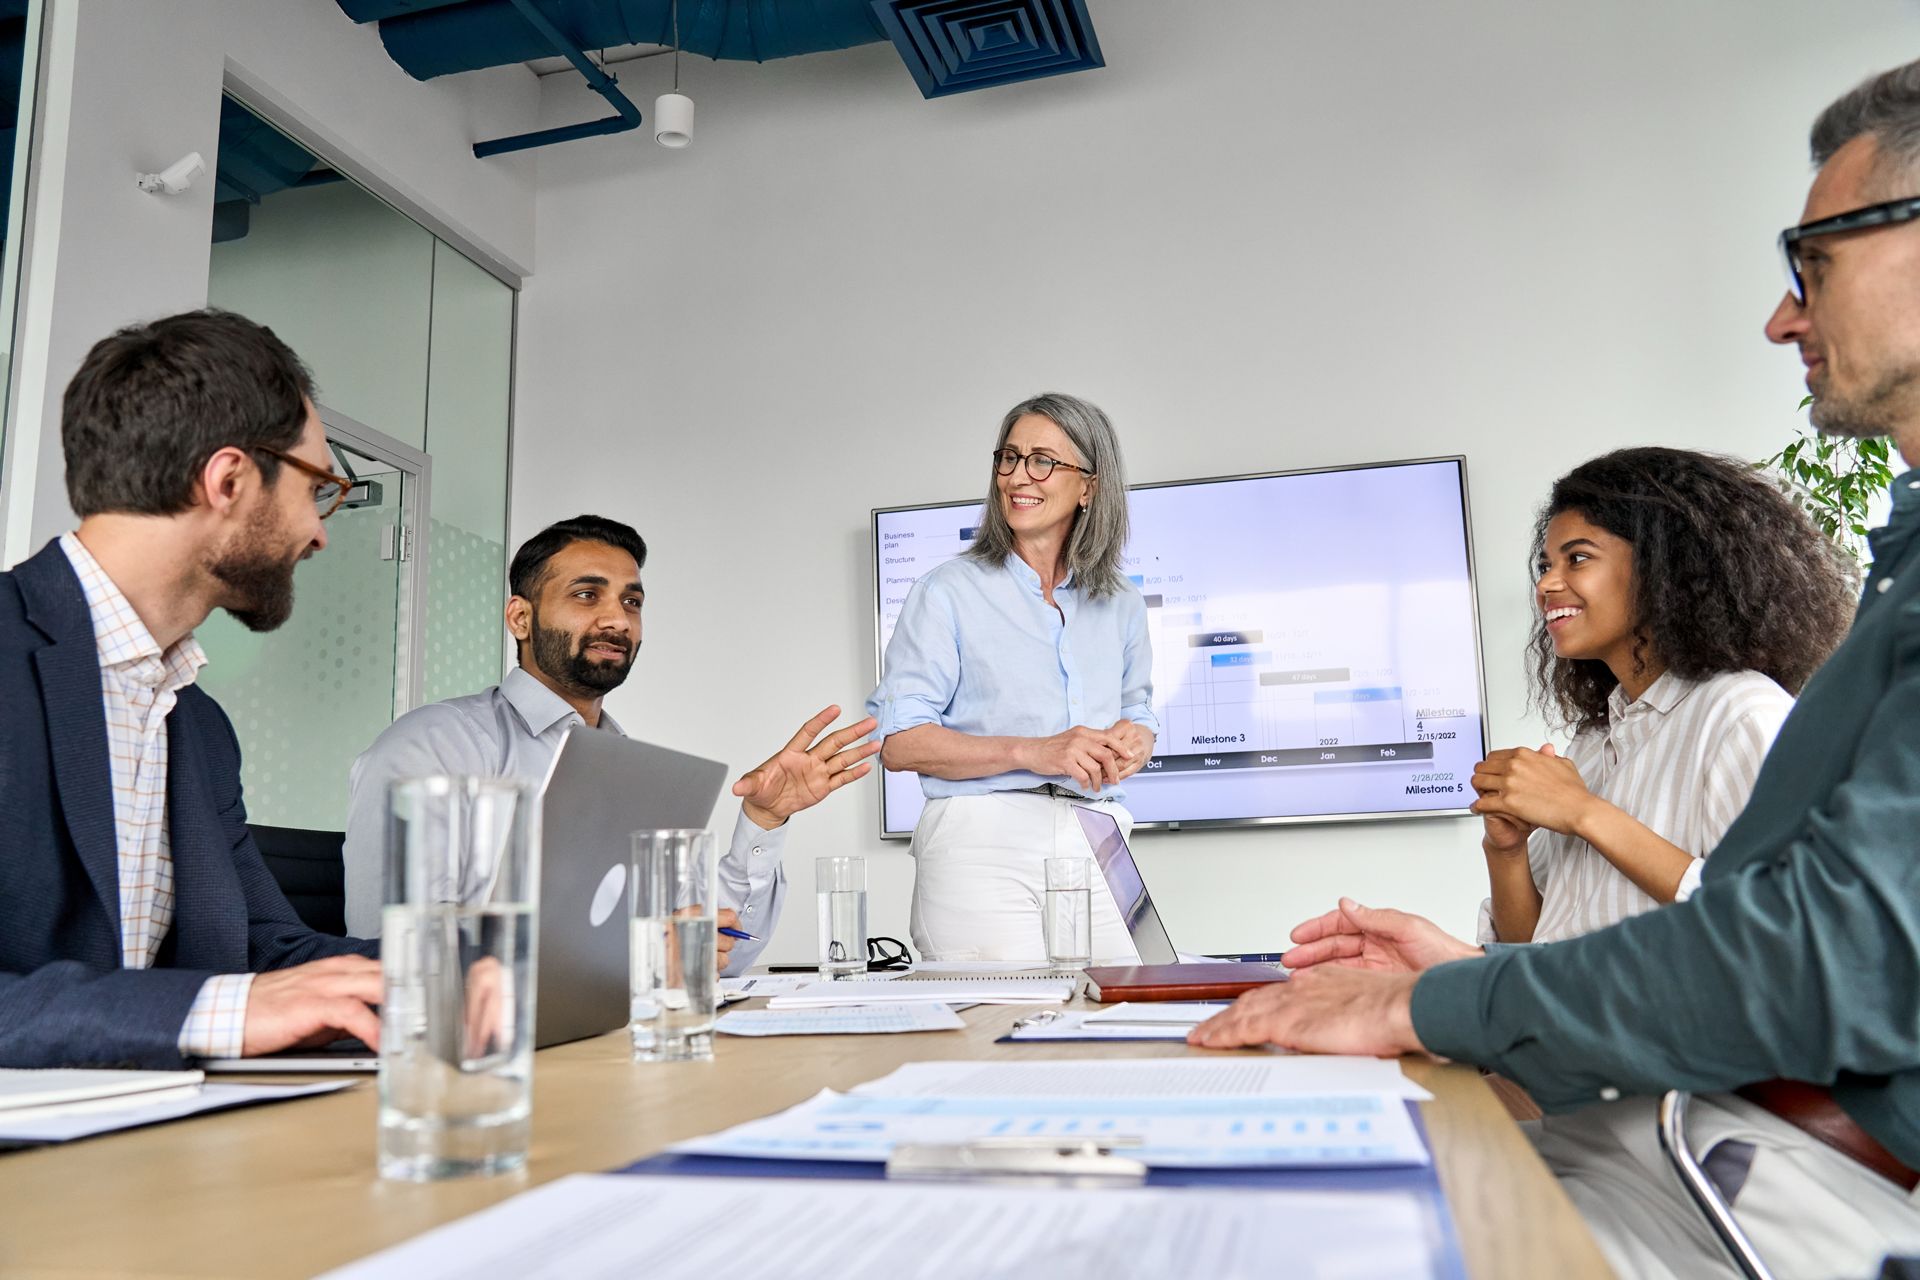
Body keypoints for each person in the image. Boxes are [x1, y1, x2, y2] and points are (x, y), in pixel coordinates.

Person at [1191, 59, 1920, 1280]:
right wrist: (1478, 968)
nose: (1783, 316)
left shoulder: (1741, 706)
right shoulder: (1892, 582)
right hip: (1686, 1127)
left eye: (1816, 262)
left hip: (1764, 1171)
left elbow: (1813, 956)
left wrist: (1433, 1004)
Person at [0, 310, 382, 1070]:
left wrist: (478, 964)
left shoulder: (194, 722)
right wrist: (212, 1010)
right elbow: (237, 1000)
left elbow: (271, 955)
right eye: (320, 488)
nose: (320, 532)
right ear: (230, 480)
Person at [343, 514, 876, 973]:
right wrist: (638, 958)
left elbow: (719, 958)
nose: (617, 619)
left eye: (632, 601)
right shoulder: (431, 747)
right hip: (481, 1071)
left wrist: (762, 819)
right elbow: (399, 959)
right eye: (586, 595)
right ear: (520, 617)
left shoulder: (627, 766)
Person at [1473, 447, 1853, 947]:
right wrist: (1506, 850)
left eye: (1578, 558)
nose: (1546, 583)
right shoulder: (1593, 742)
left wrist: (1585, 812)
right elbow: (1528, 947)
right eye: (1547, 564)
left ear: (1662, 567)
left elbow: (1785, 918)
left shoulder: (1741, 715)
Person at [867, 392, 1157, 962]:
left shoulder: (1121, 601)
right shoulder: (945, 592)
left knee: (1122, 1015)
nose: (1019, 476)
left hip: (1095, 830)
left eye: (1042, 461)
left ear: (1089, 486)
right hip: (980, 836)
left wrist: (1137, 738)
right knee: (1001, 1023)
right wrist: (1035, 750)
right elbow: (898, 743)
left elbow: (1138, 709)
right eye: (1010, 457)